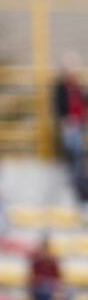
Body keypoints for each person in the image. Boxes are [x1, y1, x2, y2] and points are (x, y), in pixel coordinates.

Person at [53, 52, 86, 200]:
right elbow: (58, 105)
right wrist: (64, 119)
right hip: (69, 122)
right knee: (72, 149)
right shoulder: (60, 87)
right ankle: (71, 177)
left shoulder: (77, 85)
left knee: (79, 151)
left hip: (79, 122)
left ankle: (78, 177)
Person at [29, 233, 62, 300]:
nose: (45, 252)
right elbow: (33, 279)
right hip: (40, 290)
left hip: (51, 289)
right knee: (47, 292)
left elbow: (58, 278)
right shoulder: (36, 262)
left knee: (62, 295)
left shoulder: (53, 262)